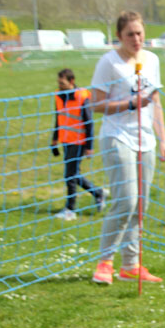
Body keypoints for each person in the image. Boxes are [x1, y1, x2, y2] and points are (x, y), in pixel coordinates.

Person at [90, 11, 165, 285]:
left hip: (145, 139)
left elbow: (156, 101)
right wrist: (130, 104)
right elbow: (96, 104)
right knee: (125, 200)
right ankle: (104, 262)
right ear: (119, 36)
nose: (136, 39)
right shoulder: (109, 63)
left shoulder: (152, 60)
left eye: (139, 33)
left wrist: (163, 139)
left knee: (140, 205)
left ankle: (131, 266)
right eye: (129, 35)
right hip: (118, 137)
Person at [52, 68, 106, 221]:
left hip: (79, 142)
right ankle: (98, 193)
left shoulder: (82, 97)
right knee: (73, 174)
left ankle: (70, 209)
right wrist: (54, 140)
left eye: (62, 83)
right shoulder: (58, 96)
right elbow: (58, 118)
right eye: (59, 83)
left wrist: (89, 146)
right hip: (66, 141)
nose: (60, 85)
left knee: (70, 176)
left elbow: (89, 123)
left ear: (71, 81)